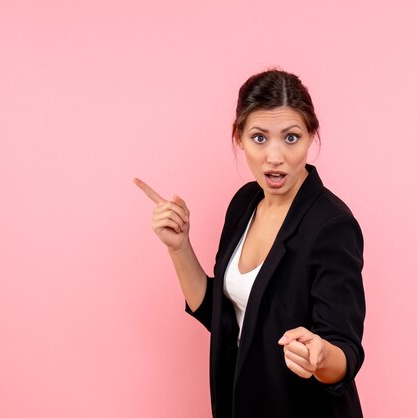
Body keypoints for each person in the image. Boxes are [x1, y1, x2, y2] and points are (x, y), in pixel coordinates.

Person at [134, 69, 366, 418]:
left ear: (310, 136)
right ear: (239, 137)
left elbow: (344, 352)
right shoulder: (244, 202)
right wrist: (179, 246)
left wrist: (319, 355)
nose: (275, 157)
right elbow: (223, 316)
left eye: (291, 138)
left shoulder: (331, 226)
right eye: (260, 138)